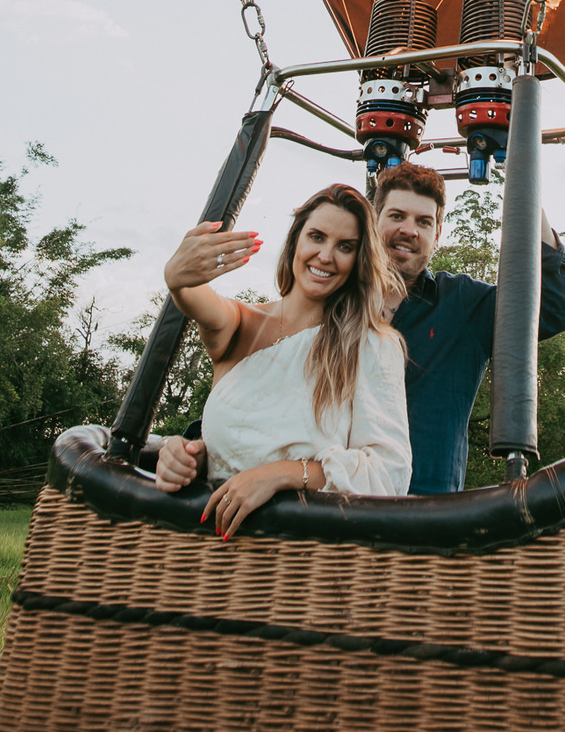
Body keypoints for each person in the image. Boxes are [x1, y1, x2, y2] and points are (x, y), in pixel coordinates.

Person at [153, 183, 411, 534]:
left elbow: (388, 472)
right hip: (210, 552)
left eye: (345, 247)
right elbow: (196, 299)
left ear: (358, 260)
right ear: (295, 241)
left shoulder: (372, 345)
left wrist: (283, 475)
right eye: (317, 237)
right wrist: (185, 458)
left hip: (304, 554)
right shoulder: (241, 324)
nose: (325, 256)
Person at [374, 164, 565, 494]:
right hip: (331, 509)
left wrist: (519, 174)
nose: (409, 230)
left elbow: (559, 304)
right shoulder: (337, 304)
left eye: (423, 222)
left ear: (437, 236)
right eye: (397, 216)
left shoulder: (463, 305)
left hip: (423, 514)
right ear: (374, 222)